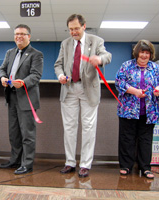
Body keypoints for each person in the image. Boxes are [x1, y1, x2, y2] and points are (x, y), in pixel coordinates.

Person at [54, 14, 112, 177]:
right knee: (69, 127)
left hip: (89, 90)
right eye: (71, 29)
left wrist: (99, 59)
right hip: (69, 89)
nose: (73, 32)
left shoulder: (96, 41)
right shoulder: (65, 44)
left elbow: (108, 56)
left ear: (84, 26)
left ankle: (85, 164)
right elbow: (58, 64)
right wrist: (60, 76)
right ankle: (70, 162)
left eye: (76, 29)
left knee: (88, 127)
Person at [115, 40, 159, 179]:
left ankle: (145, 167)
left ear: (151, 54)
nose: (144, 55)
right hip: (128, 110)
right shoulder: (126, 66)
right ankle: (126, 166)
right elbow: (119, 82)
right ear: (136, 53)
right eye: (142, 52)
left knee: (146, 140)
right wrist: (134, 91)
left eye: (147, 53)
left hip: (149, 112)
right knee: (127, 138)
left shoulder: (156, 69)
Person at [0, 24, 43, 175]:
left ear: (29, 36)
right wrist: (2, 77)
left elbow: (36, 75)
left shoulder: (36, 54)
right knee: (14, 132)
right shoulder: (10, 53)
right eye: (16, 34)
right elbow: (2, 69)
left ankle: (27, 163)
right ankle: (15, 160)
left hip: (26, 98)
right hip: (11, 96)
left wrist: (23, 82)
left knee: (27, 134)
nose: (19, 37)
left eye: (22, 34)